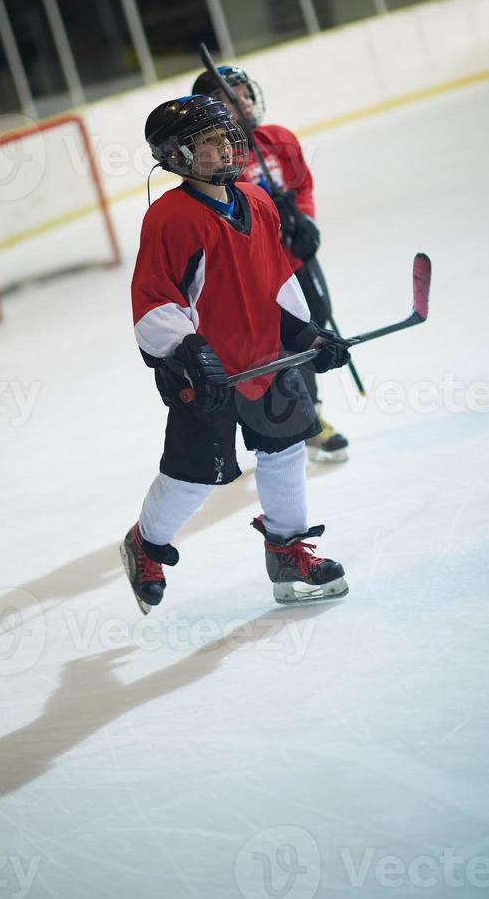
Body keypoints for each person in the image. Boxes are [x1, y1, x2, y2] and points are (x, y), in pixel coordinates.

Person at [120, 93, 351, 615]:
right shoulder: (171, 218)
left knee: (286, 450)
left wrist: (308, 336)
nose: (224, 149)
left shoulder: (258, 200)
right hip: (206, 374)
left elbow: (275, 280)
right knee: (196, 473)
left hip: (267, 360)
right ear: (177, 155)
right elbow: (154, 299)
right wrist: (187, 349)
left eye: (226, 138)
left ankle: (288, 553)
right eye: (207, 143)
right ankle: (145, 544)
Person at [192, 66, 349, 464]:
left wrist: (305, 222)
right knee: (268, 345)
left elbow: (302, 187)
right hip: (256, 275)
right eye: (232, 96)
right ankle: (271, 421)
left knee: (310, 331)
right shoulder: (215, 161)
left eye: (245, 93)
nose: (242, 102)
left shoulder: (276, 139)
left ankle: (311, 416)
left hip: (295, 261)